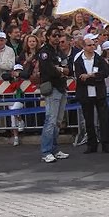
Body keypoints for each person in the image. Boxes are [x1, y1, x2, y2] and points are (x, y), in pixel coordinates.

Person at [74, 34, 109, 154]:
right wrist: (92, 77)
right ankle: (91, 144)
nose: (92, 47)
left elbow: (105, 73)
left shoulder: (99, 59)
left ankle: (106, 144)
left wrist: (91, 76)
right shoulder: (79, 60)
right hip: (85, 93)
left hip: (99, 93)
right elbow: (79, 77)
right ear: (84, 47)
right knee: (89, 120)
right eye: (89, 45)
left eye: (93, 45)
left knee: (104, 119)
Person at [38, 24, 70, 163]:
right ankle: (46, 151)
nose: (57, 38)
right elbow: (49, 70)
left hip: (62, 87)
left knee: (57, 121)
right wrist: (61, 70)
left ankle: (54, 149)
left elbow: (67, 66)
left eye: (59, 35)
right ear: (48, 37)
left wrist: (61, 69)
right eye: (54, 35)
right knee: (50, 120)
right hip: (52, 88)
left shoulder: (59, 52)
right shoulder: (45, 52)